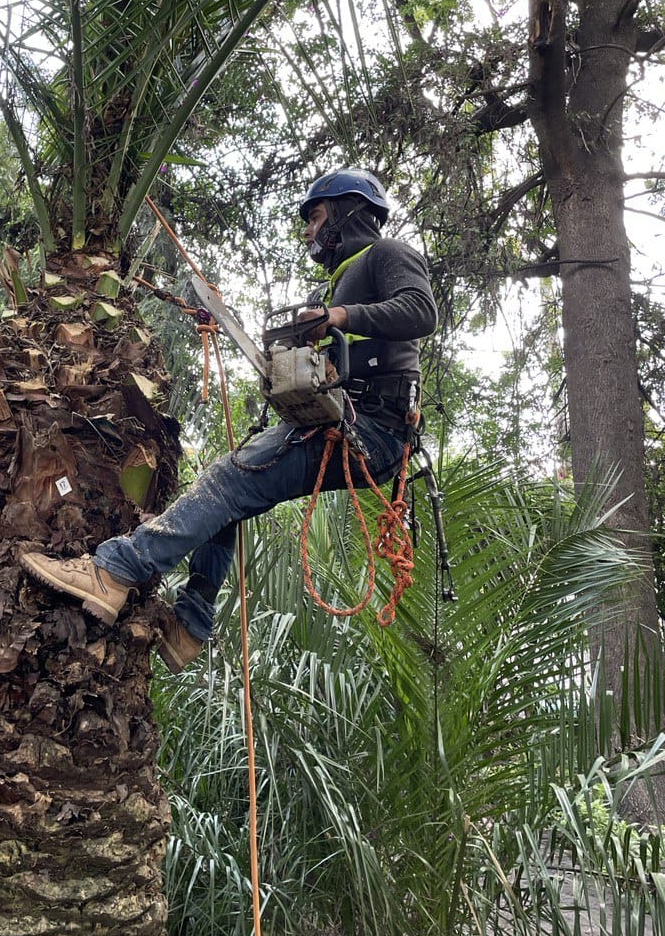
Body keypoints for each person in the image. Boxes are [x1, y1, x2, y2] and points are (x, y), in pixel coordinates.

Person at [23, 167, 438, 671]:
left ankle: (115, 571)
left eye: (316, 216)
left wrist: (338, 319)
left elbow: (420, 311)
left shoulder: (387, 254)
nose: (308, 230)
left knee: (230, 479)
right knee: (231, 497)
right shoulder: (333, 288)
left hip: (372, 428)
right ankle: (190, 626)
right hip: (344, 421)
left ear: (349, 211)